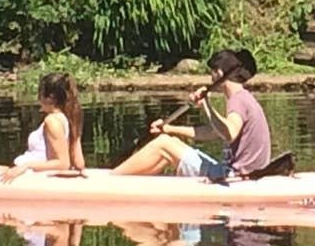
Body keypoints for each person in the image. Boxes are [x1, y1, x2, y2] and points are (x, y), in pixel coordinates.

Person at [111, 49, 270, 180]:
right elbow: (211, 132)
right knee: (167, 143)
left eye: (211, 73)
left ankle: (111, 180)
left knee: (163, 144)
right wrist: (169, 128)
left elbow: (229, 133)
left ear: (219, 73)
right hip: (239, 174)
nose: (210, 78)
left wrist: (206, 104)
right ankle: (128, 179)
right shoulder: (246, 98)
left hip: (233, 177)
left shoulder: (238, 100)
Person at [1, 71, 85, 182]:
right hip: (23, 169)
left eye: (40, 93)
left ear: (50, 97)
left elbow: (63, 163)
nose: (38, 98)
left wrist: (26, 166)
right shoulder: (69, 119)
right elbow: (79, 164)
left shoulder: (52, 121)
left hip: (28, 173)